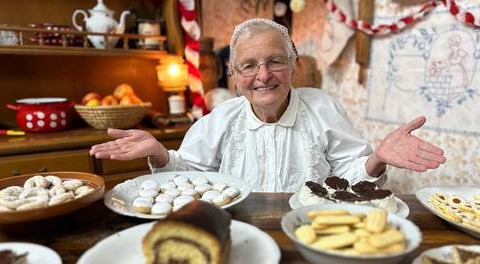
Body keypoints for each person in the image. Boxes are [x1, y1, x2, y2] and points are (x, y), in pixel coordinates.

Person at [90, 18, 445, 192]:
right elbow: (192, 177)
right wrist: (161, 154)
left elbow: (350, 175)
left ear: (293, 67)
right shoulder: (221, 118)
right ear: (233, 73)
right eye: (248, 65)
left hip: (312, 230)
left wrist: (376, 159)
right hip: (239, 232)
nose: (263, 76)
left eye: (275, 61)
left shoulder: (323, 108)